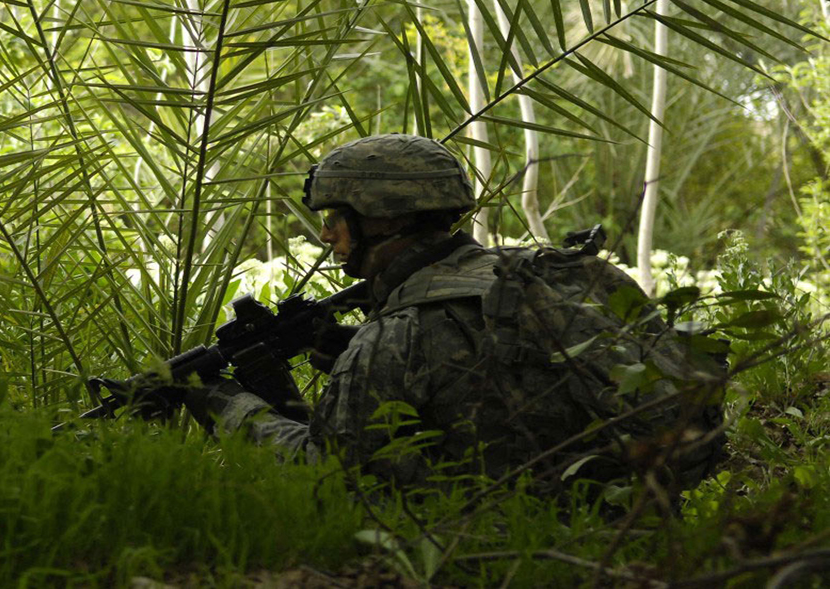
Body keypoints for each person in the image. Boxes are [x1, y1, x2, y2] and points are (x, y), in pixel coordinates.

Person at [184, 133, 726, 492]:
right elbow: (508, 373)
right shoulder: (556, 270)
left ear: (379, 218)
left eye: (334, 219)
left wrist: (224, 403)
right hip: (631, 515)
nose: (326, 236)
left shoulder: (395, 337)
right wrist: (345, 348)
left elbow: (328, 473)